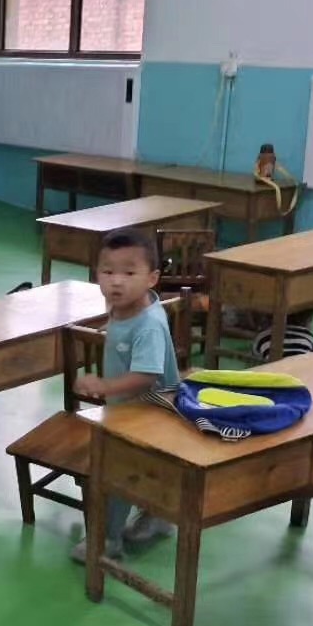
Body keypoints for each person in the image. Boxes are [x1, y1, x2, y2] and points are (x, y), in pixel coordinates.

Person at [70, 227, 180, 564]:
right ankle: (157, 516)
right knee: (141, 468)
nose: (116, 282)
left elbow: (146, 375)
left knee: (119, 472)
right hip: (129, 409)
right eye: (108, 271)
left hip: (152, 410)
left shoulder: (148, 324)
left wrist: (103, 386)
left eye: (129, 273)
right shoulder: (124, 306)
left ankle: (107, 541)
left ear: (152, 278)